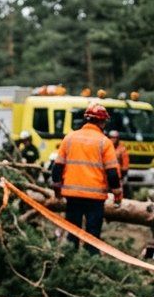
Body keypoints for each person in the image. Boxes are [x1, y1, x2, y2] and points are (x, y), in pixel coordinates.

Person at [51, 103, 123, 253]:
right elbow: (112, 174)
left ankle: (71, 264)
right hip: (95, 199)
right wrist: (117, 196)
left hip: (72, 196)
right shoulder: (105, 142)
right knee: (93, 237)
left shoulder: (69, 138)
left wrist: (57, 190)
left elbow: (57, 168)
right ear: (103, 122)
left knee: (72, 234)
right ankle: (90, 266)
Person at [108, 129, 131, 198]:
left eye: (115, 138)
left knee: (117, 194)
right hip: (106, 175)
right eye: (111, 137)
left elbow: (125, 164)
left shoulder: (122, 149)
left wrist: (123, 173)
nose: (113, 139)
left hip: (117, 175)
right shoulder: (106, 147)